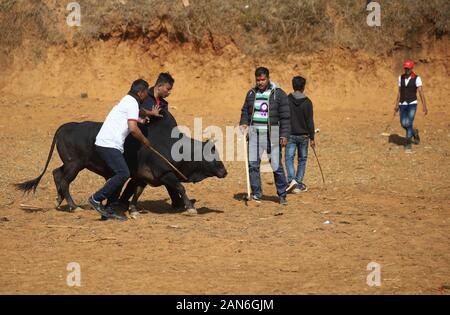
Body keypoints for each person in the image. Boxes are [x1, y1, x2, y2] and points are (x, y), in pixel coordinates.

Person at [88, 79, 161, 221]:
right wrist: (145, 141)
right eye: (146, 92)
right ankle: (96, 198)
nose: (147, 95)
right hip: (108, 144)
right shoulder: (132, 103)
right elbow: (133, 129)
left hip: (108, 143)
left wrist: (146, 116)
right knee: (123, 173)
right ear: (140, 93)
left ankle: (109, 209)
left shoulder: (128, 100)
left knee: (120, 174)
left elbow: (136, 114)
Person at [239, 67, 290, 205]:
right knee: (253, 165)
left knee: (276, 165)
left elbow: (285, 117)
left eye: (263, 79)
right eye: (258, 80)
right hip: (254, 133)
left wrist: (284, 135)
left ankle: (282, 194)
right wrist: (244, 123)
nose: (260, 82)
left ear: (268, 78)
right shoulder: (251, 93)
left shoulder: (278, 94)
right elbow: (245, 111)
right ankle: (256, 193)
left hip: (273, 133)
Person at [285, 76, 315, 193]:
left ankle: (292, 181)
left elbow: (284, 118)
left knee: (289, 158)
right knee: (302, 159)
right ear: (303, 87)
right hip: (304, 136)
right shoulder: (308, 102)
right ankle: (298, 183)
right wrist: (312, 138)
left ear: (293, 86)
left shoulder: (287, 100)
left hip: (290, 135)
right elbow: (309, 121)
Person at [394, 60, 428, 153]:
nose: (406, 70)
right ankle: (414, 132)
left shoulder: (417, 78)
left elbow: (421, 92)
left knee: (409, 122)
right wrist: (396, 104)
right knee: (403, 123)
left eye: (408, 68)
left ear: (411, 68)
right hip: (402, 104)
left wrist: (424, 106)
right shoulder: (400, 77)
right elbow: (399, 92)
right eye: (405, 68)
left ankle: (408, 143)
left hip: (412, 103)